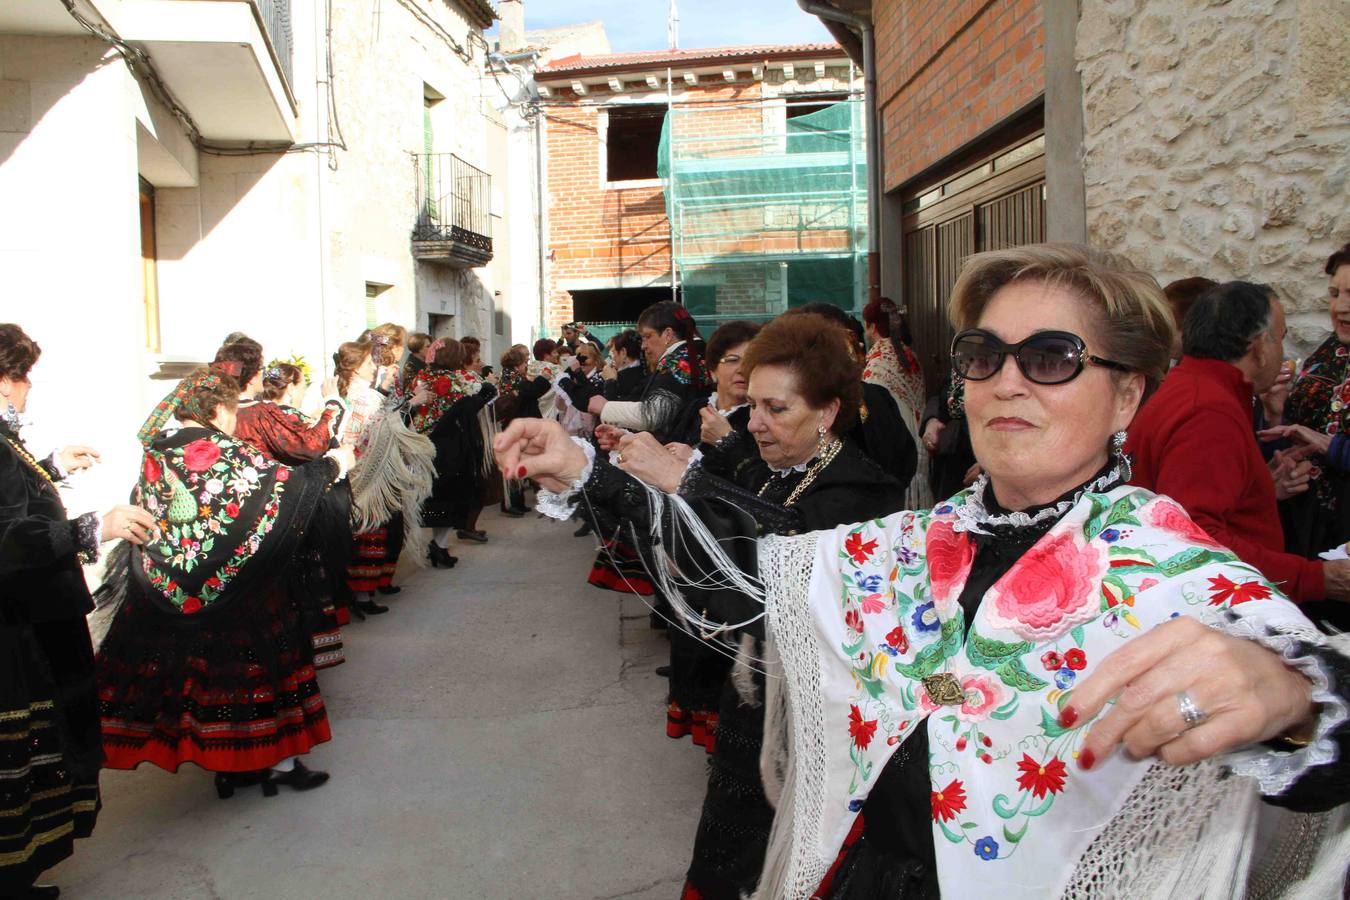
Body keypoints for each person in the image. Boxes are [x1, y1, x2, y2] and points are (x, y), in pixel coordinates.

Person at [501, 244, 1350, 898]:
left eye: (1051, 357)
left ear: (1127, 397)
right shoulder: (916, 542)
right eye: (985, 355)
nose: (1008, 382)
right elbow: (760, 581)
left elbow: (1324, 726)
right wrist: (586, 474)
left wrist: (1295, 700)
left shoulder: (1170, 568)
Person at [97, 368, 356, 799]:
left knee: (207, 676)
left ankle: (225, 764)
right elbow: (284, 491)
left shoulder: (158, 450)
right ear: (218, 410)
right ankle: (279, 763)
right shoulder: (221, 450)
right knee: (263, 668)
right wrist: (335, 463)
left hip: (176, 584)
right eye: (233, 412)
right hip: (242, 585)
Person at [0, 324, 156, 899]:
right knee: (22, 757)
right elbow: (8, 540)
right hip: (13, 632)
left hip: (29, 620)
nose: (26, 391)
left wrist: (51, 465)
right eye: (21, 378)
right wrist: (93, 527)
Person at [1130, 281, 1350, 612]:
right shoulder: (1207, 410)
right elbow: (1193, 536)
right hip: (1212, 609)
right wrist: (1316, 578)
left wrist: (1257, 483)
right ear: (1259, 346)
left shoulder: (1196, 388)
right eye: (1281, 338)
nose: (1282, 352)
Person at [234, 360, 351, 669]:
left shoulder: (246, 414)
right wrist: (332, 406)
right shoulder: (269, 415)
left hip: (250, 514)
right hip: (287, 507)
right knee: (297, 584)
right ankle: (300, 655)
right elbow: (312, 446)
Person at [334, 341, 434, 616]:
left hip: (353, 469)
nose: (373, 368)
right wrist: (410, 406)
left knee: (365, 531)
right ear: (354, 369)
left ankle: (361, 591)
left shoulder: (340, 391)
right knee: (371, 531)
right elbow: (386, 429)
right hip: (370, 473)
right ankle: (362, 594)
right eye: (368, 364)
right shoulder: (367, 397)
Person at [1268, 243, 1350, 562]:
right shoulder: (1327, 353)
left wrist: (1334, 448)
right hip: (1307, 524)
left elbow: (1325, 439)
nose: (1341, 307)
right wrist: (1276, 411)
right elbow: (1299, 426)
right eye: (1334, 294)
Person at [409, 339, 498, 564]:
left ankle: (437, 544)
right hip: (451, 446)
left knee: (433, 494)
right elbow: (486, 393)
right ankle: (440, 545)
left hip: (422, 443)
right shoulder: (461, 379)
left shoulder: (421, 377)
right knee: (452, 495)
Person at [587, 301, 710, 443]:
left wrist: (605, 408)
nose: (644, 346)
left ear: (668, 335)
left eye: (647, 336)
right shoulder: (694, 353)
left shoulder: (680, 360)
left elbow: (654, 414)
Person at [863, 296, 932, 509]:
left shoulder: (876, 364)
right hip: (920, 439)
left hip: (897, 447)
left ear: (872, 326)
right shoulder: (908, 354)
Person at [602, 329, 646, 401]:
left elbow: (610, 407)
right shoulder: (646, 372)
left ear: (623, 352)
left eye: (613, 352)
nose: (612, 357)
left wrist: (609, 381)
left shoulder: (621, 379)